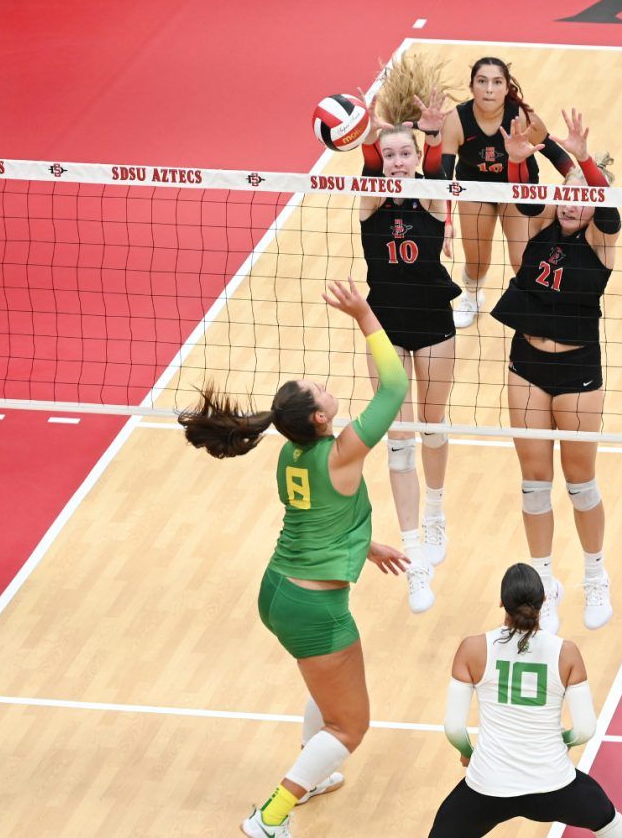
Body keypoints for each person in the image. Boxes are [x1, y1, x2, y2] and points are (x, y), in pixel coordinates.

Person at [179, 278, 413, 838]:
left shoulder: (292, 453)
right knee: (352, 725)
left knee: (325, 688)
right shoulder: (344, 450)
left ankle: (316, 764)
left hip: (279, 589)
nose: (328, 388)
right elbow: (395, 387)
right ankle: (270, 817)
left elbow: (317, 519)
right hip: (314, 608)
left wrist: (366, 543)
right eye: (320, 391)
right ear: (320, 420)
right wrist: (364, 316)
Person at [489, 109, 618, 634]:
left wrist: (578, 157)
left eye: (580, 196)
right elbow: (525, 199)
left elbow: (602, 200)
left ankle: (595, 575)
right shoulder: (543, 223)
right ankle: (544, 587)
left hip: (579, 369)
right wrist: (526, 159)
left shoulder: (601, 241)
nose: (570, 202)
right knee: (533, 484)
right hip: (527, 364)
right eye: (565, 193)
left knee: (580, 484)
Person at [428, 563, 622, 837]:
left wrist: (469, 752)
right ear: (544, 601)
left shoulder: (472, 649)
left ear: (502, 602)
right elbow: (585, 729)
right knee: (609, 821)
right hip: (553, 783)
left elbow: (454, 728)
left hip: (488, 785)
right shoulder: (566, 653)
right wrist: (563, 741)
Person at [356, 55, 459, 581]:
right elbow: (371, 172)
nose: (397, 161)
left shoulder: (432, 196)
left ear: (416, 159)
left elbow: (438, 176)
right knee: (398, 437)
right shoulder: (370, 202)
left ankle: (436, 513)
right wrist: (371, 136)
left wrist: (435, 137)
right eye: (390, 154)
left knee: (432, 425)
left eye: (405, 154)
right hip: (385, 325)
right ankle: (414, 546)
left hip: (433, 320)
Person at [439, 57, 576, 328]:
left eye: (497, 82)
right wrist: (446, 220)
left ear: (506, 88)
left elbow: (553, 152)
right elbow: (443, 177)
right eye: (482, 81)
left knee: (521, 258)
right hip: (475, 188)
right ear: (472, 87)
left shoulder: (522, 117)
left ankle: (535, 303)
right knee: (477, 258)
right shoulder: (456, 120)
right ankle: (471, 296)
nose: (489, 89)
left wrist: (577, 183)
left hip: (518, 187)